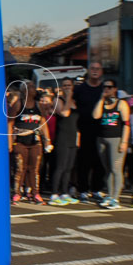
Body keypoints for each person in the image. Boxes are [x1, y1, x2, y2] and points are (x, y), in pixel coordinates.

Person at [9, 82, 52, 204]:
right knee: (20, 167)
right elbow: (10, 123)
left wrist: (47, 140)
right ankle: (17, 193)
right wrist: (9, 141)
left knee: (34, 168)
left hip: (35, 140)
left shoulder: (39, 105)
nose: (30, 90)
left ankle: (35, 193)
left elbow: (43, 122)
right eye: (27, 88)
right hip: (20, 140)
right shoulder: (18, 104)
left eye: (32, 87)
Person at [93, 79, 130, 209]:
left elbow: (126, 124)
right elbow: (96, 116)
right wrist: (101, 99)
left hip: (116, 138)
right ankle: (109, 194)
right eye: (104, 87)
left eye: (109, 87)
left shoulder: (121, 104)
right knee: (107, 169)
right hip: (102, 138)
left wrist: (124, 141)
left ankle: (116, 198)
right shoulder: (102, 103)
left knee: (116, 169)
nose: (106, 89)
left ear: (115, 89)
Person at [73, 62, 105, 199]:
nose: (95, 71)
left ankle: (97, 189)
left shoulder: (105, 89)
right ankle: (83, 190)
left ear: (102, 72)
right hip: (83, 130)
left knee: (100, 162)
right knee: (83, 162)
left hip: (102, 130)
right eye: (92, 68)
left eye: (98, 69)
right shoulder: (80, 89)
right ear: (88, 71)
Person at [49, 78, 80, 206]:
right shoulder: (58, 100)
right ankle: (54, 194)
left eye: (69, 85)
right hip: (62, 138)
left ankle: (64, 193)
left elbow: (77, 122)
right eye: (65, 85)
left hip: (72, 137)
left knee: (69, 168)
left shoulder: (75, 102)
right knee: (60, 167)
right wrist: (68, 97)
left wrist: (78, 139)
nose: (67, 87)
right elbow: (65, 113)